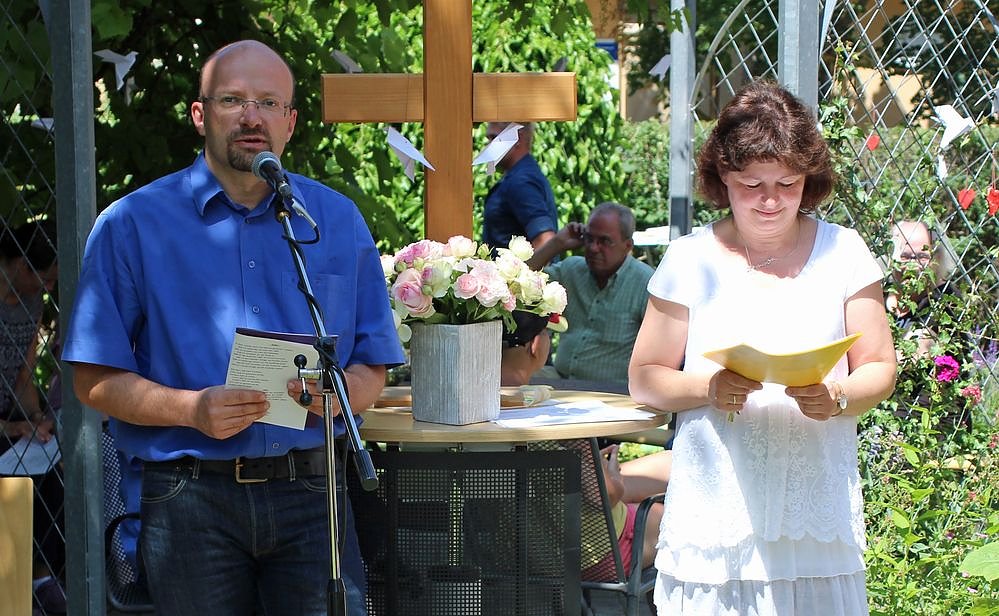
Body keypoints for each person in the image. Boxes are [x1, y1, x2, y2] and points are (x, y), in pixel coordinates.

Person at [63, 40, 405, 615]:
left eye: (269, 103)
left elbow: (373, 363)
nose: (252, 117)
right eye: (232, 100)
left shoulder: (336, 220)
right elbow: (91, 380)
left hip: (313, 493)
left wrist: (340, 393)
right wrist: (191, 409)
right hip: (191, 497)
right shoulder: (132, 225)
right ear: (200, 115)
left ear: (290, 122)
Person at [628, 80, 897, 615]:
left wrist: (839, 396)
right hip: (717, 513)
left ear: (809, 179)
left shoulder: (845, 252)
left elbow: (880, 367)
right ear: (723, 177)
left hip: (814, 514)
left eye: (788, 183)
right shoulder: (689, 259)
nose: (771, 200)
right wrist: (709, 387)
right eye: (752, 184)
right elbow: (645, 377)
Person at [0, 219, 65, 614]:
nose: (50, 288)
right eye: (47, 278)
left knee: (53, 472)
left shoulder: (31, 302)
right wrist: (11, 427)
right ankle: (15, 587)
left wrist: (36, 418)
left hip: (10, 414)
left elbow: (24, 376)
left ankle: (41, 576)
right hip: (4, 424)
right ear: (22, 266)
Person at [527, 202, 654, 384]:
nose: (594, 248)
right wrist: (557, 243)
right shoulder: (572, 270)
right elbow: (520, 282)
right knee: (511, 378)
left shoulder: (646, 284)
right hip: (561, 378)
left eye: (604, 241)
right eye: (589, 238)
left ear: (627, 246)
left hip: (612, 390)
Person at [581, 443, 670, 582]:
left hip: (549, 560)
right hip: (608, 555)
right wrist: (614, 478)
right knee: (685, 512)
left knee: (672, 461)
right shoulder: (570, 436)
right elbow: (605, 498)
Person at [481, 122, 558, 251]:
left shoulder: (521, 181)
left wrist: (530, 264)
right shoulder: (520, 176)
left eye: (494, 138)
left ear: (517, 137)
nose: (489, 146)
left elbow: (545, 240)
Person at [885, 219, 955, 357]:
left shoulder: (944, 299)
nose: (912, 266)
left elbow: (919, 353)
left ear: (937, 258)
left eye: (922, 257)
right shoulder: (880, 294)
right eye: (904, 256)